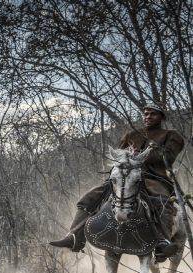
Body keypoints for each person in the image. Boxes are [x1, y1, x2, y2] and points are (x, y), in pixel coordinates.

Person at [50, 104, 185, 258]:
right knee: (88, 198)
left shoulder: (171, 136)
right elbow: (117, 156)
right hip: (123, 177)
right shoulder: (132, 134)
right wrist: (125, 157)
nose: (148, 117)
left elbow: (168, 157)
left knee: (163, 202)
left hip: (153, 179)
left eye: (153, 114)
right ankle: (74, 237)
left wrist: (150, 152)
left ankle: (162, 243)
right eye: (146, 114)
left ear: (162, 117)